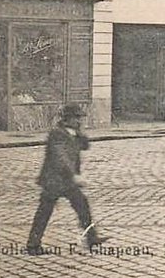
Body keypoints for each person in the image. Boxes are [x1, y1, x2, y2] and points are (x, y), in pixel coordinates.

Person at [27, 103, 106, 254]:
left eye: (80, 118)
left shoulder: (73, 133)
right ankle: (33, 245)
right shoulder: (56, 134)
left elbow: (86, 146)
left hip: (66, 181)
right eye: (76, 118)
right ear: (66, 119)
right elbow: (60, 157)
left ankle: (91, 237)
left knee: (82, 205)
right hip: (54, 180)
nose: (79, 121)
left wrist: (79, 132)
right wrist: (74, 175)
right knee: (44, 212)